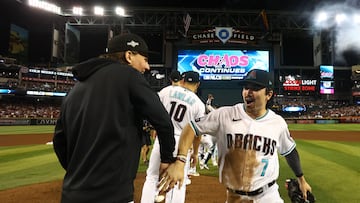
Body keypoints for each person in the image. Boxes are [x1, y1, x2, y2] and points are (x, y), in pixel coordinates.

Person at [53, 33, 176, 203]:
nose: (147, 67)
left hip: (72, 193)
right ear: (129, 56)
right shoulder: (129, 76)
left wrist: (80, 173)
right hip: (112, 194)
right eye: (145, 59)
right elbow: (163, 122)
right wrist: (167, 159)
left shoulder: (75, 89)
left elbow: (59, 141)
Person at [160, 69, 312, 203]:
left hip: (268, 195)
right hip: (234, 197)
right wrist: (180, 160)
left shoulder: (277, 123)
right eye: (246, 87)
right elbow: (191, 127)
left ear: (269, 94)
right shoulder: (225, 115)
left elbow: (289, 151)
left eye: (255, 88)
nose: (248, 92)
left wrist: (301, 179)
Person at [141, 71, 206, 203]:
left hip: (163, 138)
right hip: (183, 143)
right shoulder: (199, 104)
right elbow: (197, 133)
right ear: (197, 84)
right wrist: (195, 153)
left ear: (182, 80)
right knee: (178, 182)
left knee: (152, 176)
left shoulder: (167, 91)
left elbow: (153, 109)